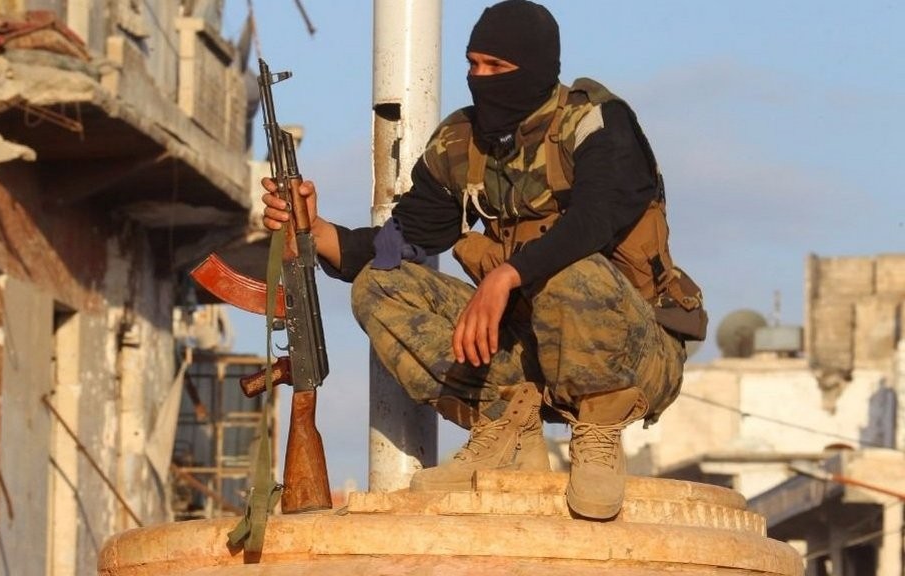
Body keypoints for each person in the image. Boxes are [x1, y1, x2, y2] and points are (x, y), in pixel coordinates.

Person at [261, 0, 706, 520]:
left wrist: (505, 277)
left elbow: (595, 219)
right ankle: (506, 427)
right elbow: (398, 244)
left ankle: (597, 433)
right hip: (530, 352)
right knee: (379, 286)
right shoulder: (462, 144)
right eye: (473, 64)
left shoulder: (596, 123)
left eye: (497, 66)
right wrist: (314, 230)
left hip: (635, 356)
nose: (481, 78)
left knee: (570, 269)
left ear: (535, 67)